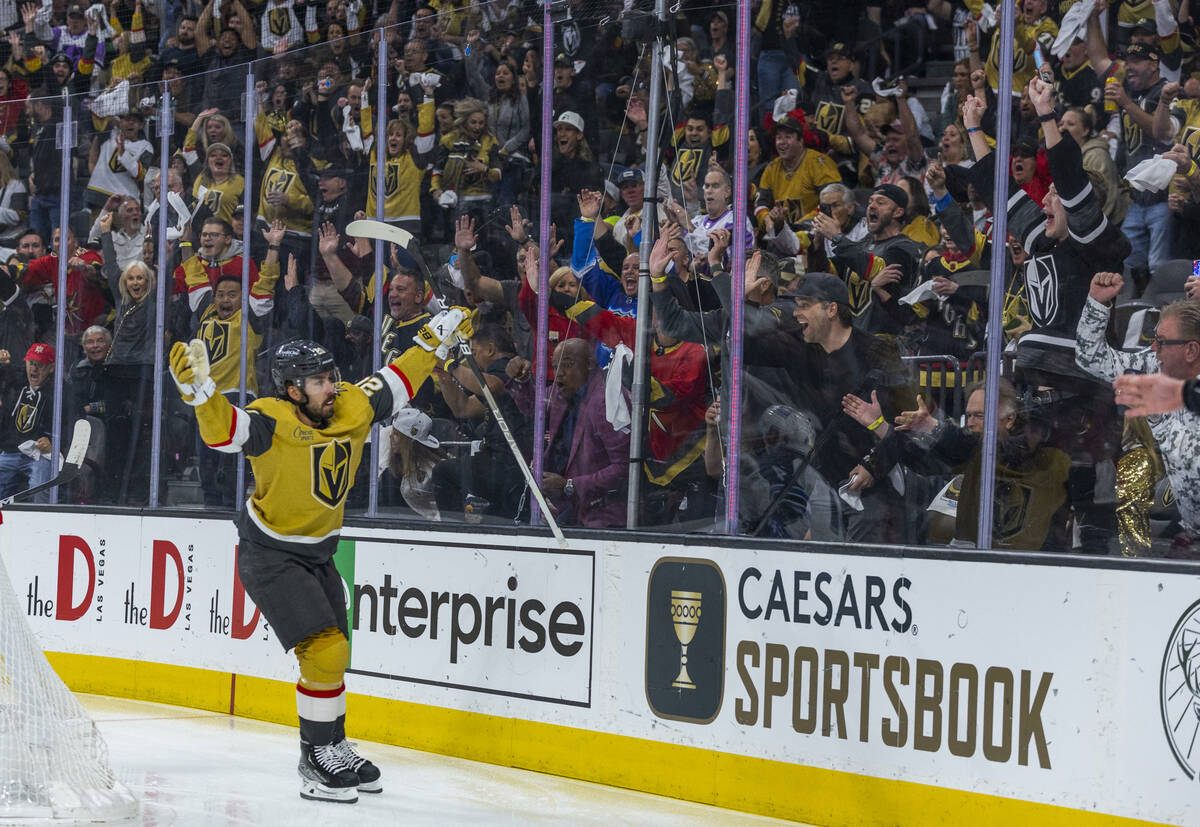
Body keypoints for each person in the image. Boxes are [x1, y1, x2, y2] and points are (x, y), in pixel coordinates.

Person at [166, 308, 472, 803]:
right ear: (291, 388)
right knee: (325, 652)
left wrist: (437, 338)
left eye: (331, 376)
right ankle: (314, 760)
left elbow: (399, 378)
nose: (330, 386)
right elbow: (224, 433)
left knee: (334, 657)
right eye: (317, 381)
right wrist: (201, 394)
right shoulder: (271, 417)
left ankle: (334, 745)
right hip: (270, 554)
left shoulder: (351, 404)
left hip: (319, 552)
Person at [1077, 273, 1200, 553]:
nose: (1153, 349)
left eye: (1162, 342)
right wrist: (1097, 305)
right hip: (1187, 519)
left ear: (1191, 350)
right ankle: (1137, 560)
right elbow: (1093, 359)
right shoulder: (1154, 363)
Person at [0, 343, 56, 502]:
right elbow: (6, 373)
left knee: (39, 488)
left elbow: (70, 423)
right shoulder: (17, 382)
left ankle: (42, 524)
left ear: (51, 368)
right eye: (31, 363)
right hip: (10, 452)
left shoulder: (59, 391)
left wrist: (52, 440)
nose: (34, 369)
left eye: (40, 365)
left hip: (39, 455)